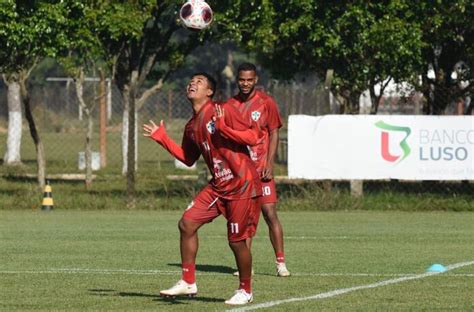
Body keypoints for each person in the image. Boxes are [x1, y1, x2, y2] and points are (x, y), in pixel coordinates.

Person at [143, 72, 262, 305]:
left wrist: (224, 129)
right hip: (218, 186)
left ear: (209, 92)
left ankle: (245, 290)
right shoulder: (191, 126)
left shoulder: (223, 110)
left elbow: (253, 136)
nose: (192, 83)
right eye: (190, 81)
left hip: (241, 184)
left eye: (199, 82)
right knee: (187, 223)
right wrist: (163, 139)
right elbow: (188, 158)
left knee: (236, 241)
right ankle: (188, 281)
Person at [227, 62, 290, 277]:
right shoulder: (231, 105)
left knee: (269, 213)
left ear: (256, 80)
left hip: (262, 170)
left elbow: (274, 133)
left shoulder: (266, 102)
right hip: (243, 172)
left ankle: (280, 262)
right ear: (237, 80)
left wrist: (269, 164)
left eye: (249, 80)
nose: (245, 83)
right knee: (245, 217)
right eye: (242, 80)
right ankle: (246, 264)